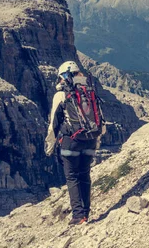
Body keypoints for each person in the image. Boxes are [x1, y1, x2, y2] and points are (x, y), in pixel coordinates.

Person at [45, 60, 105, 225]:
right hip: (90, 141)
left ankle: (78, 216)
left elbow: (54, 125)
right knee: (85, 175)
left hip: (71, 143)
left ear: (63, 76)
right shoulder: (89, 90)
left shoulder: (61, 95)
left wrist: (49, 147)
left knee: (72, 177)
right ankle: (86, 213)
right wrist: (96, 139)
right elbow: (100, 118)